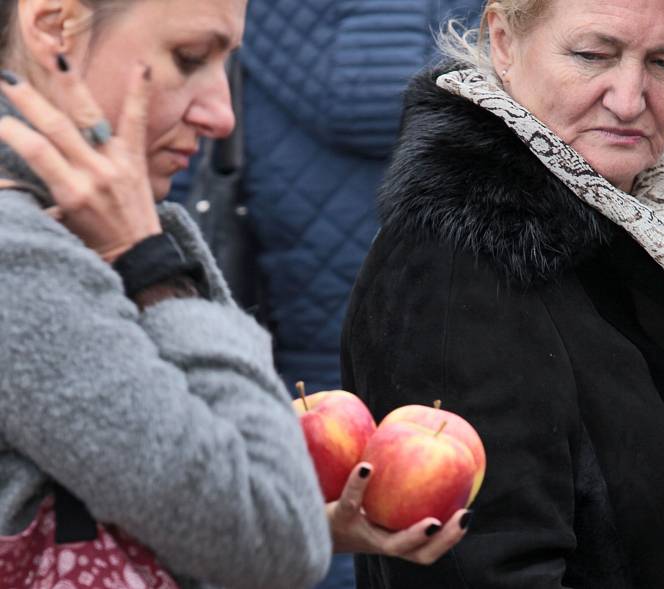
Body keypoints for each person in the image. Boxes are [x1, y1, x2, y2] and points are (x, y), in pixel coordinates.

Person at [0, 0, 467, 587]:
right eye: (188, 57)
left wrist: (298, 518)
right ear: (54, 27)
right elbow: (271, 541)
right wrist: (156, 269)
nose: (223, 115)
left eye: (227, 65)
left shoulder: (85, 227)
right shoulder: (26, 255)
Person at [340, 0, 664, 586]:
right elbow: (487, 565)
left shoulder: (656, 222)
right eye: (592, 55)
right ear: (504, 41)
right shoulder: (461, 266)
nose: (630, 100)